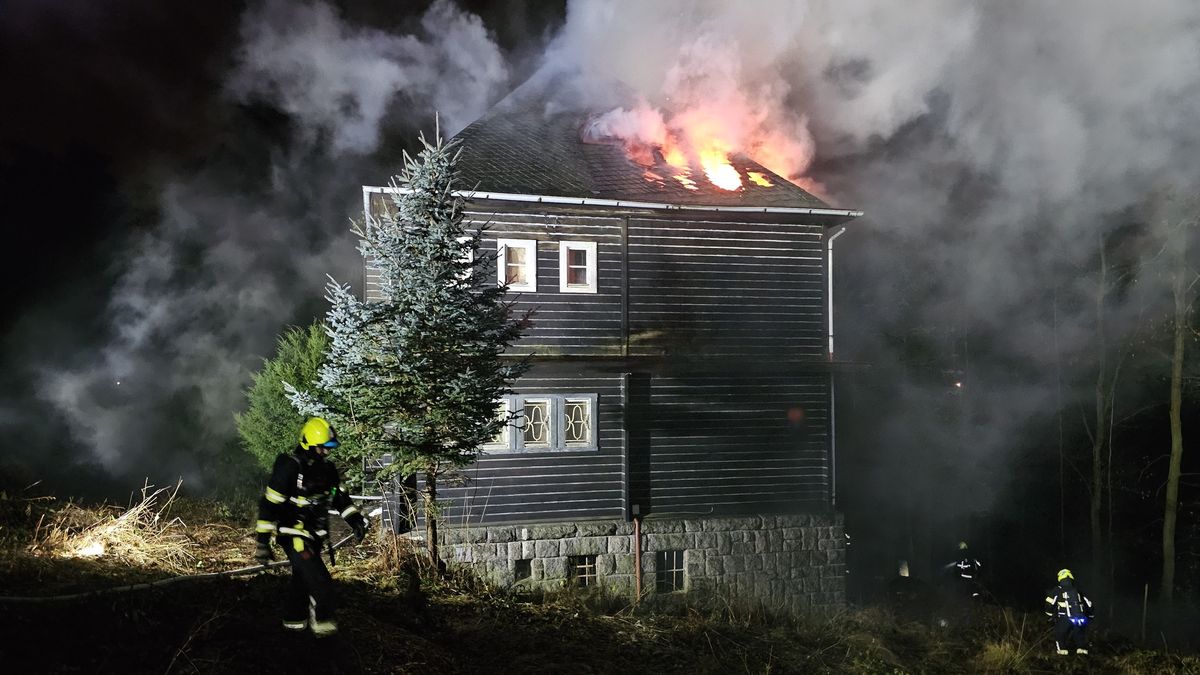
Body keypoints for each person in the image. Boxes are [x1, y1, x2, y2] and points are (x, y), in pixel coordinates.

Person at [254, 417, 369, 637]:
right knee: (321, 582)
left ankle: (293, 625)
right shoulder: (289, 467)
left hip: (315, 537)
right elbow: (269, 505)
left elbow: (338, 497)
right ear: (308, 444)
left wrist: (354, 520)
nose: (326, 453)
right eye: (322, 449)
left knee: (301, 580)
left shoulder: (327, 469)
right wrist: (262, 541)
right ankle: (325, 632)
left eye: (328, 449)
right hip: (293, 536)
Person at [1043, 568, 1095, 656]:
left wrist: (1050, 615)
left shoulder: (1057, 590)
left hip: (1064, 618)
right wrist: (1090, 615)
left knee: (1060, 634)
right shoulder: (1077, 590)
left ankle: (1062, 652)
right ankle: (1081, 650)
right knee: (1079, 635)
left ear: (1060, 578)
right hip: (1079, 618)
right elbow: (1089, 604)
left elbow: (1049, 603)